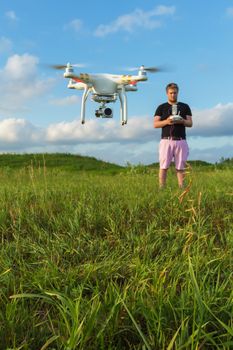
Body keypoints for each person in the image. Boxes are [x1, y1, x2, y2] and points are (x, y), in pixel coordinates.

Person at [154, 83, 193, 188]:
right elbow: (155, 124)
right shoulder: (161, 107)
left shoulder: (185, 106)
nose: (173, 95)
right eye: (171, 93)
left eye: (175, 93)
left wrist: (182, 121)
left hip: (181, 140)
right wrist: (167, 121)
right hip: (166, 140)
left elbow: (190, 123)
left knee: (181, 167)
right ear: (167, 93)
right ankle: (162, 188)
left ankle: (182, 189)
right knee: (163, 166)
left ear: (178, 93)